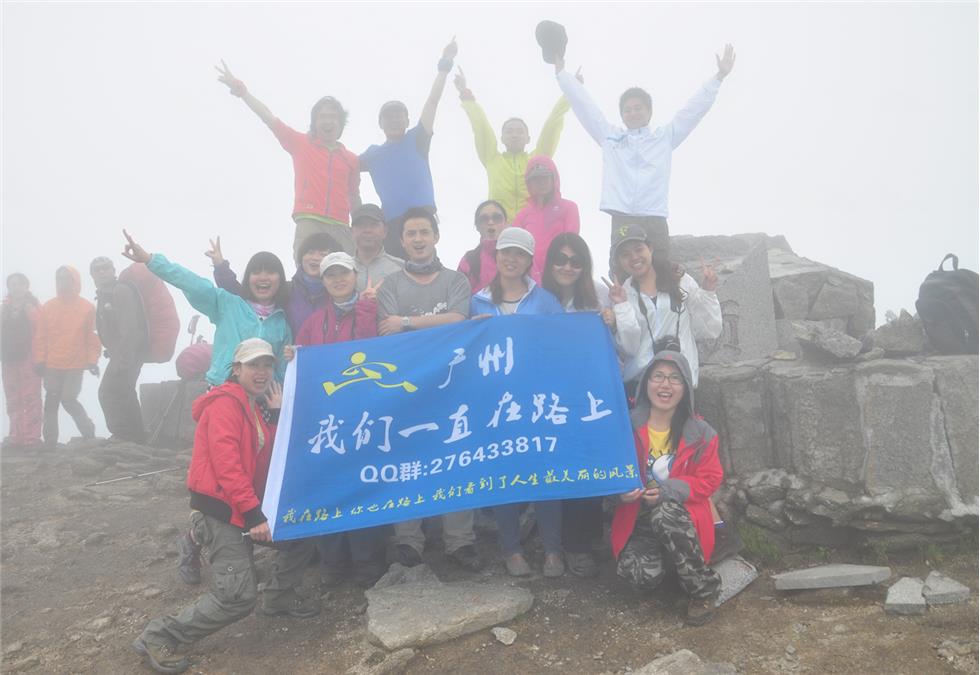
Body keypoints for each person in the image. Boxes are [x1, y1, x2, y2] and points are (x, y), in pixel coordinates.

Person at [134, 339, 319, 674]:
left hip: (242, 508)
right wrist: (254, 515)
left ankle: (277, 598)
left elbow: (265, 462)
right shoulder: (225, 405)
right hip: (222, 513)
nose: (262, 372)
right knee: (236, 598)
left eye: (267, 365)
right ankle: (159, 635)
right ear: (237, 370)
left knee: (301, 534)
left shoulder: (251, 406)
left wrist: (275, 416)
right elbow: (227, 466)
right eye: (253, 365)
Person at [551, 45, 736, 275]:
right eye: (627, 110)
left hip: (654, 215)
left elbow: (692, 111)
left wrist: (718, 78)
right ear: (622, 115)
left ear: (649, 112)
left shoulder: (664, 137)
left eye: (638, 108)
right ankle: (622, 310)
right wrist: (562, 75)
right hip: (622, 216)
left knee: (660, 271)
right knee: (621, 273)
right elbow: (586, 108)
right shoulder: (611, 137)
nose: (633, 113)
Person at [375, 207, 482, 571]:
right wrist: (431, 326)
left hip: (453, 386)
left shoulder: (456, 280)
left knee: (457, 459)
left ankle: (460, 542)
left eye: (424, 232)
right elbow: (387, 334)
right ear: (402, 241)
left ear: (436, 236)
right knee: (408, 462)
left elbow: (457, 319)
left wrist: (407, 321)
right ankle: (408, 541)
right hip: (406, 388)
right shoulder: (390, 285)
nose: (418, 239)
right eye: (411, 234)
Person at [539, 233, 640, 577]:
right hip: (549, 400)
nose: (567, 267)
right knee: (554, 471)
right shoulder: (537, 299)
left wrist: (617, 316)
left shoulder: (599, 295)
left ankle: (582, 546)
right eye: (561, 259)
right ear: (550, 263)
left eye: (575, 260)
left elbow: (629, 347)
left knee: (588, 468)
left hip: (591, 399)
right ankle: (554, 546)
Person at [468, 227, 565, 576]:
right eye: (506, 252)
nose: (512, 259)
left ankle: (553, 550)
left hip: (536, 402)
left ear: (529, 261)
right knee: (502, 475)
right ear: (496, 257)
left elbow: (565, 343)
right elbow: (462, 352)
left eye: (520, 254)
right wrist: (473, 330)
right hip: (495, 405)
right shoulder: (477, 301)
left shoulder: (545, 300)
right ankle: (511, 550)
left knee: (545, 475)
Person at [288, 251, 386, 587]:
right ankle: (333, 562)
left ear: (355, 274)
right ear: (324, 281)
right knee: (330, 488)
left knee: (361, 486)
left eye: (343, 273)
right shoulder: (315, 321)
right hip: (327, 421)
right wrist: (293, 357)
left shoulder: (373, 308)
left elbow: (382, 351)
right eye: (330, 275)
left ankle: (367, 563)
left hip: (365, 416)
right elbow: (301, 367)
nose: (338, 280)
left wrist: (369, 309)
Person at [610, 350, 723, 626]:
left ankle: (702, 591)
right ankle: (675, 568)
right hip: (637, 519)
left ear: (685, 388)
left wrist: (669, 490)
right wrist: (619, 491)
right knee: (640, 578)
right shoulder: (623, 426)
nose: (665, 385)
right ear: (645, 383)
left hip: (681, 517)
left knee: (665, 513)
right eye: (657, 376)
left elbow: (710, 478)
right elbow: (607, 470)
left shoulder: (701, 432)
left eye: (675, 378)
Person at [215, 61, 360, 258]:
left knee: (345, 273)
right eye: (322, 117)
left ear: (341, 124)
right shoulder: (300, 143)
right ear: (315, 123)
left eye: (333, 117)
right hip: (309, 219)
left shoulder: (351, 159)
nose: (328, 121)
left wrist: (359, 225)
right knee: (308, 270)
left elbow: (353, 195)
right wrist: (243, 92)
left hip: (341, 224)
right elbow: (268, 117)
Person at [121, 230, 292, 387]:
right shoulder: (228, 304)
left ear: (280, 279)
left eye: (270, 272)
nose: (263, 277)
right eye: (256, 272)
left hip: (262, 400)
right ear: (248, 278)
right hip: (223, 390)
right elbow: (191, 282)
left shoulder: (282, 323)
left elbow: (282, 371)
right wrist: (150, 260)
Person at [359, 38, 457, 259]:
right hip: (392, 224)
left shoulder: (417, 138)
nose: (394, 121)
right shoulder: (373, 154)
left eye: (399, 116)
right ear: (380, 124)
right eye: (389, 117)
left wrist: (445, 64)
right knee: (395, 275)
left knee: (427, 270)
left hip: (423, 218)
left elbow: (432, 101)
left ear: (407, 120)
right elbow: (344, 166)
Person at [452, 66, 573, 219]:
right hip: (499, 229)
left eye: (520, 131)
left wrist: (569, 93)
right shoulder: (492, 159)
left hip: (532, 228)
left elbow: (552, 125)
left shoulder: (537, 161)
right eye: (509, 131)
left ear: (528, 138)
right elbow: (481, 127)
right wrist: (465, 93)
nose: (514, 135)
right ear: (501, 138)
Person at [613, 225, 721, 390]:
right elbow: (630, 347)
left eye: (638, 249)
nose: (634, 257)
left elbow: (709, 329)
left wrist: (707, 290)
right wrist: (621, 306)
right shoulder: (623, 293)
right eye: (625, 255)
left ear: (650, 248)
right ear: (619, 261)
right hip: (640, 384)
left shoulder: (680, 280)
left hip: (680, 381)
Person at [207, 232, 340, 336]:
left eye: (323, 254)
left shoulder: (339, 294)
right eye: (310, 252)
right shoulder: (287, 291)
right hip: (291, 361)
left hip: (328, 362)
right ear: (301, 257)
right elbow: (242, 297)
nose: (315, 258)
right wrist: (221, 267)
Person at [32, 266, 100, 448]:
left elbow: (92, 337)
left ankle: (88, 432)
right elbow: (41, 336)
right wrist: (39, 359)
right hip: (52, 363)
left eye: (67, 278)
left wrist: (93, 360)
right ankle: (50, 442)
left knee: (68, 399)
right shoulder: (49, 306)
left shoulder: (86, 307)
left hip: (75, 364)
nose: (63, 282)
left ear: (75, 281)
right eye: (60, 278)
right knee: (52, 400)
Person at [90, 257, 148, 443]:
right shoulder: (105, 293)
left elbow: (130, 327)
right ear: (92, 275)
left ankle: (122, 436)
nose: (101, 272)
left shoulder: (119, 291)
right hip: (126, 352)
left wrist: (123, 357)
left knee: (107, 392)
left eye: (105, 268)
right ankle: (137, 438)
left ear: (113, 270)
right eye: (96, 269)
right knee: (125, 392)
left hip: (128, 352)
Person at [511, 156, 580, 281]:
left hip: (560, 274)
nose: (541, 182)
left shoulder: (569, 207)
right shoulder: (522, 215)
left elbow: (571, 242)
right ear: (528, 183)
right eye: (535, 179)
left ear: (553, 178)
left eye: (545, 177)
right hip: (529, 278)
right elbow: (516, 246)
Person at [1, 273, 42, 449]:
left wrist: (41, 358)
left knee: (31, 397)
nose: (15, 288)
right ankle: (16, 436)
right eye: (12, 284)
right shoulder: (4, 308)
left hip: (29, 358)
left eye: (19, 284)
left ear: (26, 286)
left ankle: (31, 438)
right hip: (8, 359)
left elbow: (41, 332)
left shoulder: (33, 307)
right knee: (13, 399)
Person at [349, 203, 404, 292]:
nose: (367, 230)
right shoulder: (342, 268)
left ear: (385, 231)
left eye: (373, 225)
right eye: (361, 225)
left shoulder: (401, 268)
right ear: (351, 232)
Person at [457, 200, 507, 293]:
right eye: (484, 219)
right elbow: (459, 299)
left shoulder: (519, 255)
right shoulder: (468, 260)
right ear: (477, 226)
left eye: (496, 218)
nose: (491, 222)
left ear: (505, 223)